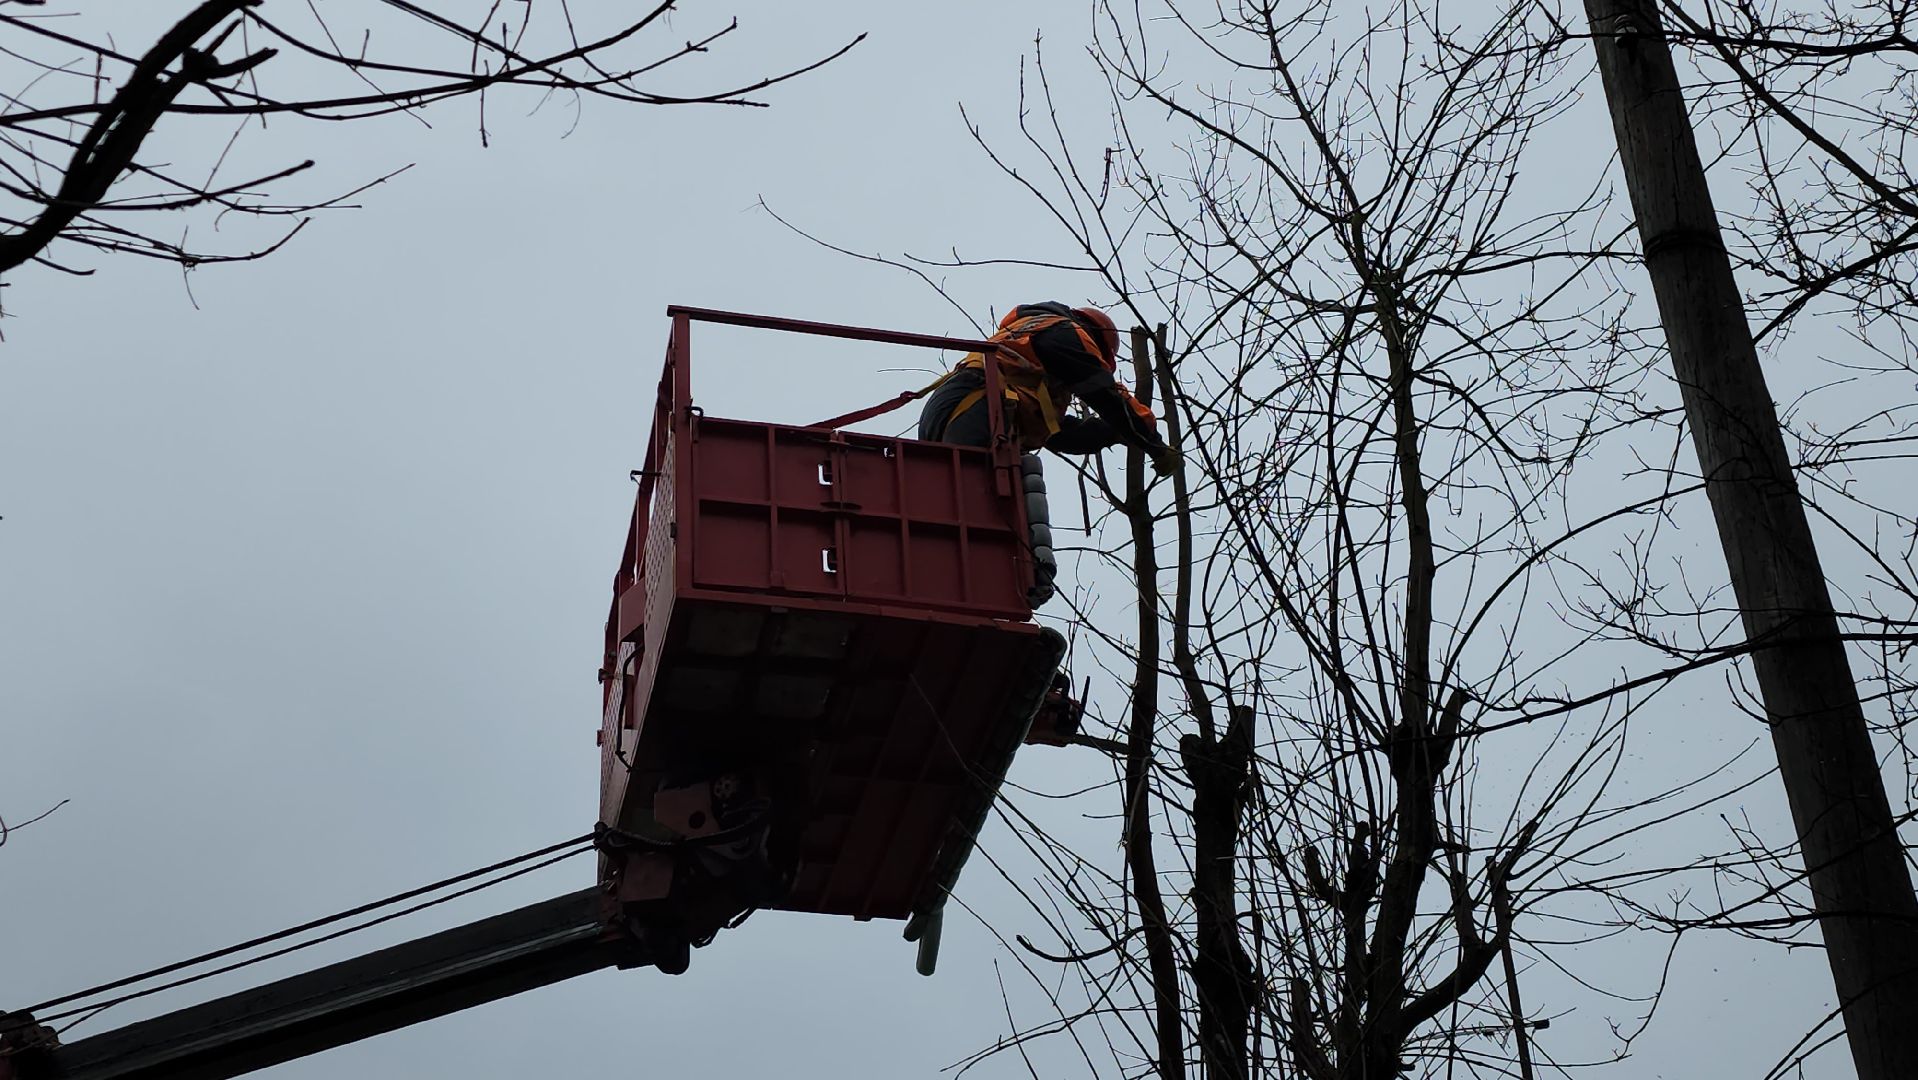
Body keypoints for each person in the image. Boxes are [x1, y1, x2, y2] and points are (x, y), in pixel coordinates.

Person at [918, 302, 1178, 607]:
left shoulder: (1025, 350)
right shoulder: (1064, 331)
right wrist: (1153, 444)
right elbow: (1103, 391)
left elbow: (1060, 434)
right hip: (976, 406)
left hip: (956, 410)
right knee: (1001, 494)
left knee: (977, 503)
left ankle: (991, 588)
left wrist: (1111, 433)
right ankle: (1018, 583)